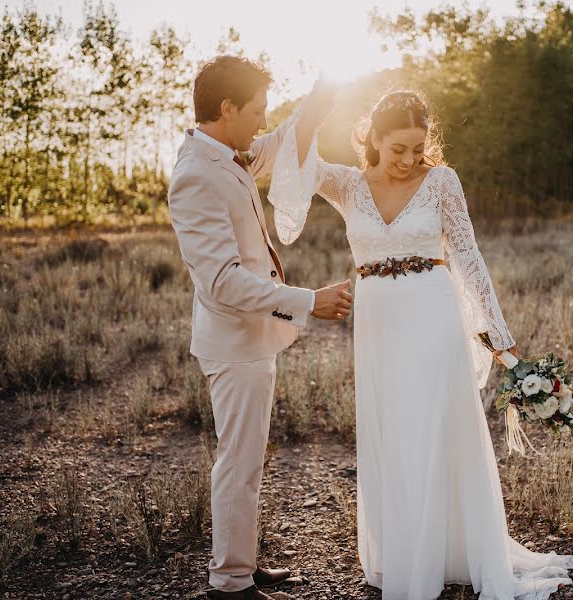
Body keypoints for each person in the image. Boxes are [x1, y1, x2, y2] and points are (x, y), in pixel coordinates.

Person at [268, 90, 573, 599]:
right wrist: (317, 102)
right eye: (398, 149)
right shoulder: (347, 184)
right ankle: (409, 555)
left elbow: (470, 262)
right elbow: (297, 157)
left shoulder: (442, 182)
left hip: (435, 322)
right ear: (373, 139)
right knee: (394, 436)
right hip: (378, 333)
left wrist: (504, 347)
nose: (411, 160)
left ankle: (449, 555)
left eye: (418, 147)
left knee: (434, 432)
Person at [167, 55, 351, 600]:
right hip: (235, 342)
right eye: (255, 111)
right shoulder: (195, 175)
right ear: (226, 109)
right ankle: (230, 583)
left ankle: (239, 565)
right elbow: (222, 281)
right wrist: (306, 301)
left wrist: (319, 101)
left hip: (251, 339)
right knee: (238, 463)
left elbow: (276, 142)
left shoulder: (225, 151)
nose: (260, 121)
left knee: (246, 459)